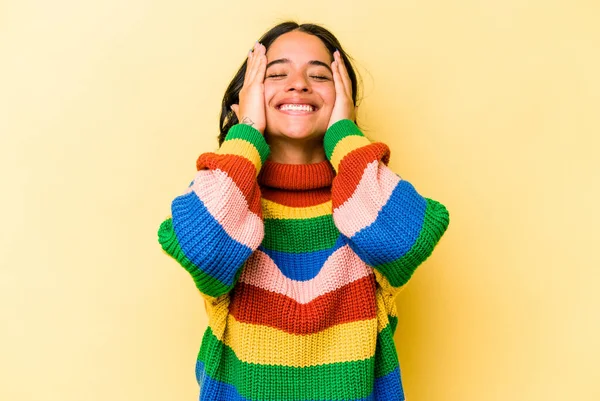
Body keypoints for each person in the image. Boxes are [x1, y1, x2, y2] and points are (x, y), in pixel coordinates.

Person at [158, 21, 450, 401]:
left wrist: (345, 133)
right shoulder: (228, 196)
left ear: (345, 102)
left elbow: (405, 242)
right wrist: (246, 131)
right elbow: (203, 248)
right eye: (276, 73)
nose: (298, 83)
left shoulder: (368, 197)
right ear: (244, 98)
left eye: (319, 75)